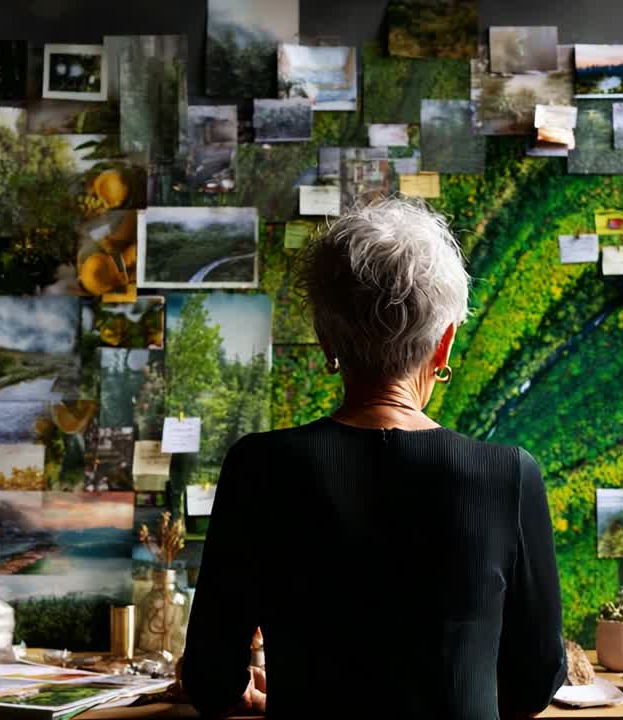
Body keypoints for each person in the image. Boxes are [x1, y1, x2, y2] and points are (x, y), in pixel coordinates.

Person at [182, 197, 566, 719]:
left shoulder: (259, 467)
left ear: (326, 340)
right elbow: (533, 684)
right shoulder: (509, 474)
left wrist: (245, 693)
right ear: (444, 345)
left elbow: (209, 678)